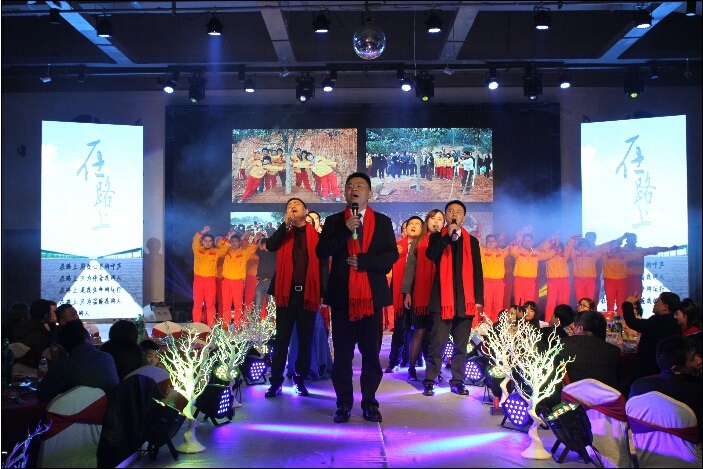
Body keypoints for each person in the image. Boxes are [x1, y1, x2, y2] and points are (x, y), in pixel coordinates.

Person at [316, 172, 398, 423]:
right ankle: (343, 404)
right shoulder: (334, 222)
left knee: (371, 355)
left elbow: (391, 256)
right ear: (345, 192)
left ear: (369, 193)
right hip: (343, 298)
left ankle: (370, 402)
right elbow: (322, 251)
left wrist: (365, 262)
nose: (354, 189)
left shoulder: (382, 222)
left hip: (371, 298)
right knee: (342, 355)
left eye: (360, 186)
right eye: (350, 186)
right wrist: (345, 230)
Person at [422, 200, 484, 397]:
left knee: (461, 346)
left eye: (458, 212)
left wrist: (479, 297)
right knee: (437, 343)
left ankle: (457, 381)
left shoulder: (472, 241)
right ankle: (430, 380)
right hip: (442, 300)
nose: (454, 214)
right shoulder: (437, 237)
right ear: (446, 217)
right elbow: (431, 255)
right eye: (450, 211)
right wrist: (447, 237)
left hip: (465, 300)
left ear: (463, 217)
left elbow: (477, 271)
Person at [265, 198, 322, 398]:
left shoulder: (316, 236)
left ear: (306, 211)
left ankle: (299, 379)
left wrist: (322, 293)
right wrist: (284, 225)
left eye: (296, 205)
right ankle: (276, 382)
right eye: (289, 206)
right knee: (282, 340)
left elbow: (323, 265)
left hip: (308, 294)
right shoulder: (284, 234)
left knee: (305, 340)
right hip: (286, 294)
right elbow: (270, 245)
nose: (293, 207)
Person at [630, 335, 702, 437]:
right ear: (676, 370)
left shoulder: (638, 386)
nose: (699, 360)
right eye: (693, 359)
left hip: (647, 443)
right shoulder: (694, 393)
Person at [404, 209, 444, 381]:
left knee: (436, 335)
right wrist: (407, 293)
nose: (436, 221)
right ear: (427, 221)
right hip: (420, 293)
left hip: (439, 292)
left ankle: (434, 370)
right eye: (433, 218)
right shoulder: (418, 241)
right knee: (419, 331)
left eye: (440, 219)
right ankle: (412, 367)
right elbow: (410, 268)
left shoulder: (445, 239)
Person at [37, 319, 119, 402]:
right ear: (86, 339)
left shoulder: (64, 366)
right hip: (110, 407)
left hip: (77, 409)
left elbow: (42, 394)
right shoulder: (107, 358)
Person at [385, 216, 423, 374]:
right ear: (405, 229)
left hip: (420, 292)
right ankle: (395, 361)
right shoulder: (397, 247)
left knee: (420, 329)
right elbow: (386, 267)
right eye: (410, 224)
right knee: (400, 329)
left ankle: (417, 360)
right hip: (401, 292)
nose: (413, 226)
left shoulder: (425, 246)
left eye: (417, 224)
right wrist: (393, 255)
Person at [622, 292, 682, 380]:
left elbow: (633, 322)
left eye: (657, 301)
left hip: (649, 369)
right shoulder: (674, 323)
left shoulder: (659, 321)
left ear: (665, 307)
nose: (654, 302)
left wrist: (628, 304)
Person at [558, 310, 621, 390]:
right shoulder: (614, 351)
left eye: (575, 326)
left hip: (574, 395)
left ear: (580, 329)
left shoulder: (563, 345)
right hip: (606, 396)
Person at [221, 230, 262, 327]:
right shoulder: (226, 252)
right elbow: (220, 247)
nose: (233, 243)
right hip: (226, 281)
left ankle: (237, 325)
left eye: (235, 241)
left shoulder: (243, 253)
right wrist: (228, 237)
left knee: (238, 305)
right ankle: (225, 325)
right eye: (232, 241)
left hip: (238, 282)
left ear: (239, 242)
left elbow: (251, 249)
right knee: (226, 305)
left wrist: (255, 240)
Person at [192, 226, 230, 326]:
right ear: (202, 241)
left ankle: (210, 326)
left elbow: (224, 249)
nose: (208, 243)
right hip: (198, 280)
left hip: (210, 281)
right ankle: (196, 326)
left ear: (212, 242)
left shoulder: (215, 252)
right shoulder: (197, 250)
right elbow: (195, 239)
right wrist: (203, 231)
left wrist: (229, 238)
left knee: (211, 305)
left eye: (210, 241)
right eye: (205, 241)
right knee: (197, 305)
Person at [510, 228, 556, 305]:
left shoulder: (536, 253)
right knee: (518, 302)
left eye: (529, 241)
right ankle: (519, 313)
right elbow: (513, 251)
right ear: (522, 241)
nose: (526, 243)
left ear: (532, 242)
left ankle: (528, 313)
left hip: (531, 282)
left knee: (529, 303)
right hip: (519, 281)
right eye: (525, 241)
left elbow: (547, 255)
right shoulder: (518, 252)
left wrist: (555, 249)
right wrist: (518, 240)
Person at [542, 237, 577, 322]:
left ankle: (564, 322)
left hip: (564, 281)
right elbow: (544, 247)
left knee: (564, 302)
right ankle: (547, 321)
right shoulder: (548, 256)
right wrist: (552, 240)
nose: (558, 249)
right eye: (556, 248)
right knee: (551, 303)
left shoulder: (564, 256)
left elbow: (568, 247)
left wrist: (572, 239)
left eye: (560, 248)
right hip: (552, 281)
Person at [12, 299, 53, 368]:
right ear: (46, 315)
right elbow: (43, 360)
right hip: (35, 370)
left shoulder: (19, 328)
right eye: (50, 312)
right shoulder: (42, 334)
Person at [479, 234, 510, 323]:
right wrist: (479, 231)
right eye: (489, 241)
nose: (491, 243)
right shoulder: (483, 251)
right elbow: (476, 243)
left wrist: (520, 235)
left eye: (493, 241)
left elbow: (511, 247)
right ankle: (486, 325)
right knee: (487, 305)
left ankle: (497, 324)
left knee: (499, 305)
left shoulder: (501, 252)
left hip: (499, 282)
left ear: (496, 243)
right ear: (486, 243)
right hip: (487, 282)